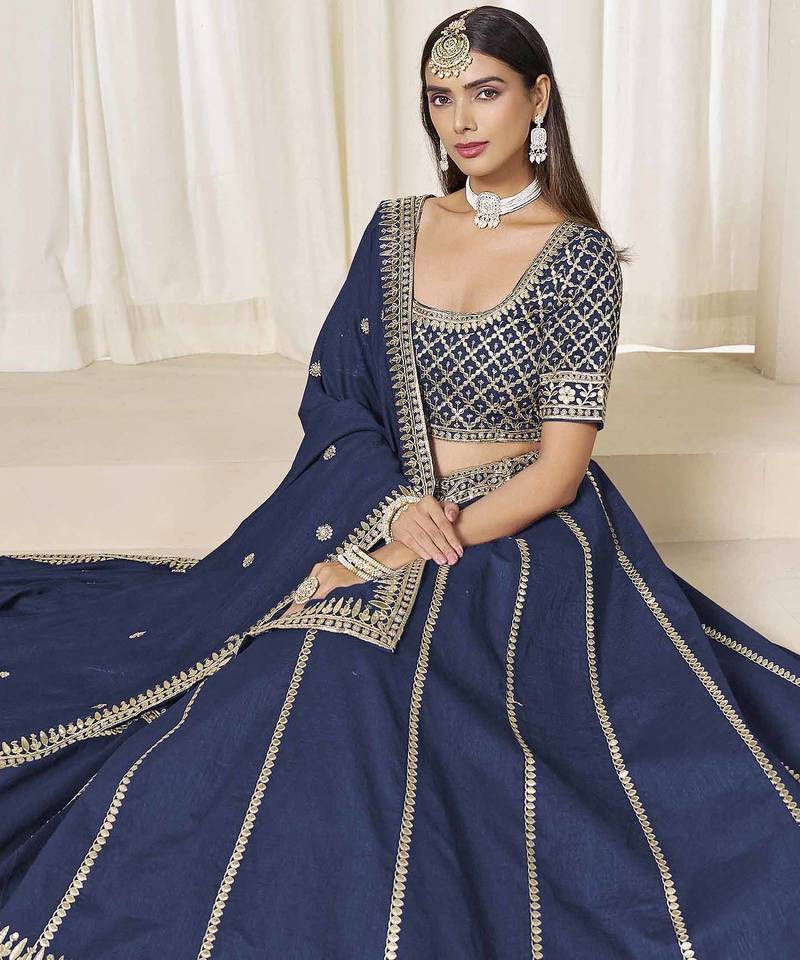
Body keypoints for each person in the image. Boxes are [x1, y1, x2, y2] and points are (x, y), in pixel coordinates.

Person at [1, 6, 798, 958]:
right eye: (441, 97)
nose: (461, 119)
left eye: (486, 92)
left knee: (350, 677)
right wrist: (391, 507)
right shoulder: (396, 228)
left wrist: (394, 552)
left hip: (515, 535)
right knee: (242, 665)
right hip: (385, 499)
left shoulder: (580, 258)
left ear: (539, 97)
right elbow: (338, 398)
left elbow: (558, 471)